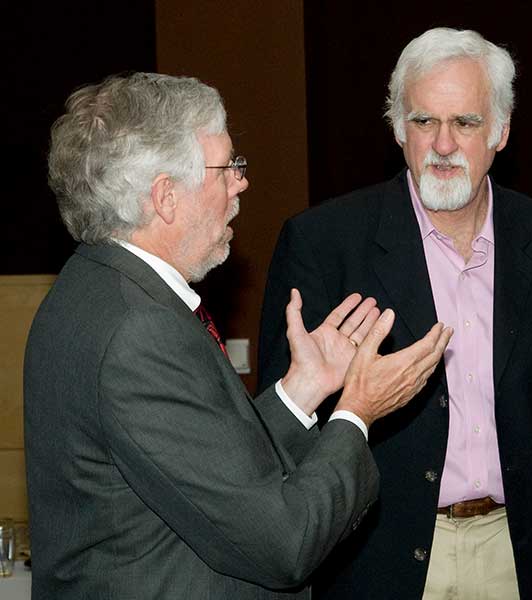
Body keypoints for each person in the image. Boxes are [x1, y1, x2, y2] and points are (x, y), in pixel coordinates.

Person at [24, 72, 452, 599]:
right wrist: (356, 411)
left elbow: (208, 474)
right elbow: (284, 543)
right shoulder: (140, 330)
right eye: (227, 167)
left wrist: (304, 390)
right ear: (166, 198)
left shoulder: (90, 289)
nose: (241, 183)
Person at [258, 27, 532, 600]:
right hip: (376, 565)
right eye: (424, 121)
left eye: (466, 123)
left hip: (522, 558)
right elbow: (279, 436)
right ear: (397, 129)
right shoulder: (324, 243)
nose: (444, 144)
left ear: (501, 131)